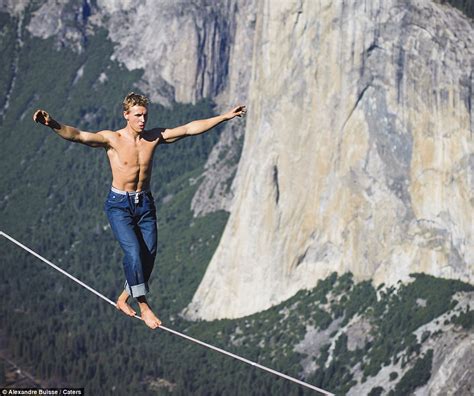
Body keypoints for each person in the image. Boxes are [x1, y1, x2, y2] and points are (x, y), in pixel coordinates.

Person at [33, 92, 246, 329]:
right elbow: (78, 135)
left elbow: (189, 128)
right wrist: (52, 123)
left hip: (144, 204)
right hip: (119, 205)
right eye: (138, 115)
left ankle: (123, 298)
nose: (143, 120)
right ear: (126, 115)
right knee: (133, 252)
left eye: (145, 115)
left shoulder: (153, 137)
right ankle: (144, 307)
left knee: (149, 255)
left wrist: (225, 117)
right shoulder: (112, 139)